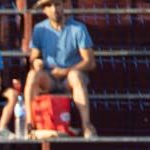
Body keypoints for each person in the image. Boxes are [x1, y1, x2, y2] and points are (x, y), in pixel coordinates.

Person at [26, 0, 97, 139]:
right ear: (44, 10)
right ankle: (30, 125)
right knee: (32, 76)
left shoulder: (78, 28)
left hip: (70, 78)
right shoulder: (39, 29)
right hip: (49, 78)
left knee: (75, 76)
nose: (54, 9)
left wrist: (65, 71)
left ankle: (86, 125)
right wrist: (36, 63)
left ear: (64, 5)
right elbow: (33, 58)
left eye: (57, 4)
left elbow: (90, 62)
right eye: (49, 6)